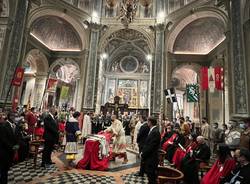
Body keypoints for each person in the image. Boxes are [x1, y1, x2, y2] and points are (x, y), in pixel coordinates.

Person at [0, 112, 19, 184]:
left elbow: (18, 136)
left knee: (7, 167)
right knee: (3, 169)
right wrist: (12, 147)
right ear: (10, 117)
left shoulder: (15, 125)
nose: (15, 118)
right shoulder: (4, 126)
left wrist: (17, 144)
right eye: (14, 116)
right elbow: (3, 139)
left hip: (11, 151)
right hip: (4, 151)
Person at [141, 117, 161, 184]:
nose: (147, 123)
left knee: (152, 176)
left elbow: (151, 146)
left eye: (148, 121)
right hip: (150, 157)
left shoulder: (155, 132)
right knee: (150, 176)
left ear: (150, 122)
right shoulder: (153, 130)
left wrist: (143, 154)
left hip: (152, 158)